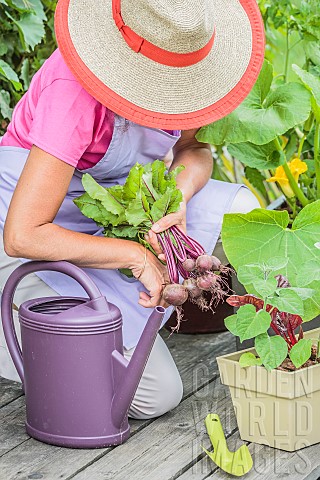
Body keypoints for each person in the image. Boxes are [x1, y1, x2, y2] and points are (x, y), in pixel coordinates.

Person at [0, 0, 264, 418]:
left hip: (119, 211)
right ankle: (25, 331)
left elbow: (193, 149)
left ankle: (125, 320)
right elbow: (23, 234)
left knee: (249, 214)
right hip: (34, 234)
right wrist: (136, 256)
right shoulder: (73, 90)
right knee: (152, 396)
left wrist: (177, 196)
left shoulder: (184, 65)